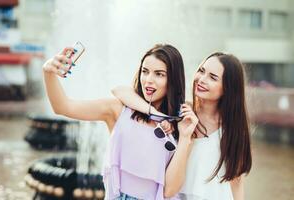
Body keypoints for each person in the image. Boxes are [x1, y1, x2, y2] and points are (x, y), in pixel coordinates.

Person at [42, 44, 186, 199]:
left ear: (172, 79)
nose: (148, 80)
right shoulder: (119, 110)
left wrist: (181, 132)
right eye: (145, 71)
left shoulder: (180, 123)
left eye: (159, 74)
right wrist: (48, 72)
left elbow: (171, 189)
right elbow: (63, 107)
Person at [112, 52, 252, 200]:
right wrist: (155, 113)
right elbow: (120, 91)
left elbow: (236, 182)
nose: (201, 79)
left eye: (212, 77)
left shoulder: (233, 130)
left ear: (228, 87)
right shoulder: (179, 113)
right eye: (201, 71)